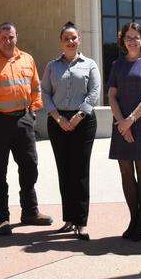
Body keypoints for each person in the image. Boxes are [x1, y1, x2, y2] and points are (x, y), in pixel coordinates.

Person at [0, 22, 54, 235]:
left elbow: (36, 87)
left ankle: (30, 211)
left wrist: (33, 111)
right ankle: (2, 218)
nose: (8, 40)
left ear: (17, 37)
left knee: (30, 166)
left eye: (11, 36)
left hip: (23, 119)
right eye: (4, 37)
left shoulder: (27, 59)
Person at [41, 21, 101, 240]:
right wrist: (58, 117)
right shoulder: (52, 66)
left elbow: (94, 92)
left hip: (83, 122)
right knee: (64, 170)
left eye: (74, 37)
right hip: (58, 122)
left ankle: (81, 222)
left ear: (79, 39)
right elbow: (45, 93)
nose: (70, 41)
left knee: (80, 171)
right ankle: (69, 219)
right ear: (61, 42)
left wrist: (77, 117)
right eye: (66, 38)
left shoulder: (90, 64)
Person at [107, 22, 141, 241]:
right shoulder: (117, 64)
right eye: (128, 37)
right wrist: (121, 123)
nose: (132, 41)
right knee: (126, 172)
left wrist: (130, 120)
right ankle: (133, 218)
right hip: (121, 125)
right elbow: (111, 95)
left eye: (136, 37)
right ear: (122, 40)